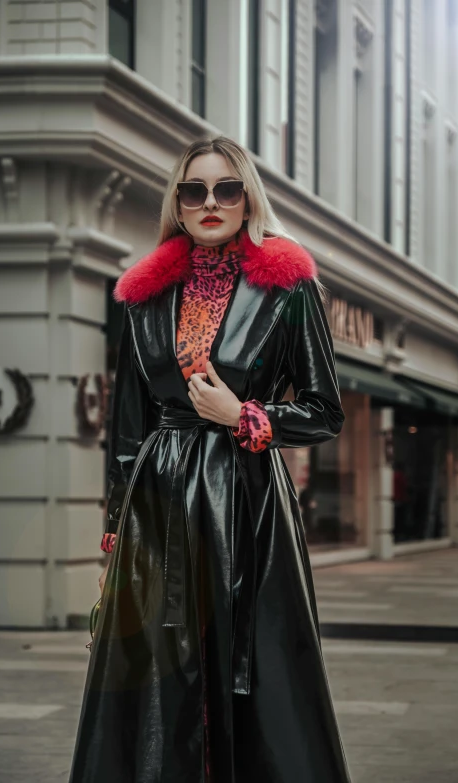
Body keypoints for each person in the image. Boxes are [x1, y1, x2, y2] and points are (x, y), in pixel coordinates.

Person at [69, 136, 350, 783]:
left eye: (227, 188)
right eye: (195, 190)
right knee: (156, 675)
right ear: (178, 201)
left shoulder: (289, 285)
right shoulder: (143, 296)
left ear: (248, 195)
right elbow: (128, 427)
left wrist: (247, 416)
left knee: (253, 662)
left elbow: (324, 409)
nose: (211, 202)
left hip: (245, 497)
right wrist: (116, 529)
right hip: (157, 499)